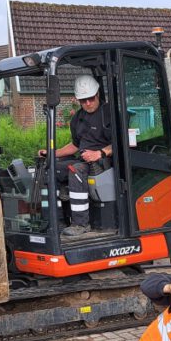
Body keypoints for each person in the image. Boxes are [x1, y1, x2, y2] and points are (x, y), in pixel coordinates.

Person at [37, 74, 112, 237]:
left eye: (91, 99)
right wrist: (51, 153)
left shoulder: (109, 113)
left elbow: (122, 141)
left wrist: (100, 153)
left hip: (104, 161)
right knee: (50, 168)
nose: (88, 103)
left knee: (75, 170)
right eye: (83, 100)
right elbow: (75, 145)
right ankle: (58, 221)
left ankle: (81, 224)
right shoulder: (78, 118)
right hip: (83, 160)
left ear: (97, 94)